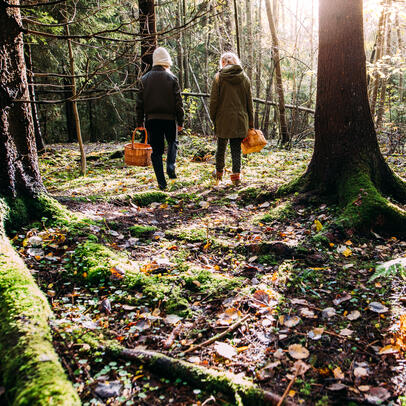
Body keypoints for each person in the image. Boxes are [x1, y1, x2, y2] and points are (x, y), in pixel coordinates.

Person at [136, 47, 184, 190]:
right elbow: (178, 103)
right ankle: (170, 166)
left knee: (156, 152)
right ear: (167, 61)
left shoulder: (144, 79)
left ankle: (162, 183)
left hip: (152, 120)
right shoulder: (172, 78)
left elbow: (139, 103)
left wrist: (140, 122)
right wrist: (180, 121)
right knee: (173, 142)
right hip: (169, 119)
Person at [209, 52, 254, 186]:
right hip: (240, 118)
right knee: (236, 148)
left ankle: (218, 174)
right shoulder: (244, 78)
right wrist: (251, 122)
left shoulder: (218, 77)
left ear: (223, 63)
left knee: (221, 147)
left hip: (223, 118)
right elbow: (249, 102)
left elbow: (214, 101)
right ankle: (236, 177)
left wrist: (214, 118)